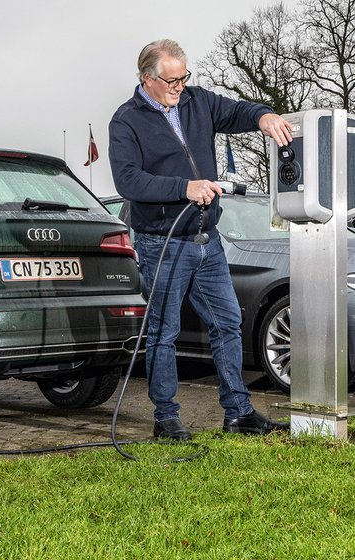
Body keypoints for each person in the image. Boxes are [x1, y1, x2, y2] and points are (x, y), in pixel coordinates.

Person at [108, 38, 292, 440]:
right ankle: (167, 419)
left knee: (227, 322)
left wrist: (263, 116)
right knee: (163, 331)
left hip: (207, 239)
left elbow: (238, 110)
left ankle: (239, 413)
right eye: (171, 81)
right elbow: (128, 180)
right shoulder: (127, 121)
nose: (179, 87)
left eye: (183, 78)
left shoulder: (198, 101)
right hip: (162, 242)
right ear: (147, 79)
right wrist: (183, 187)